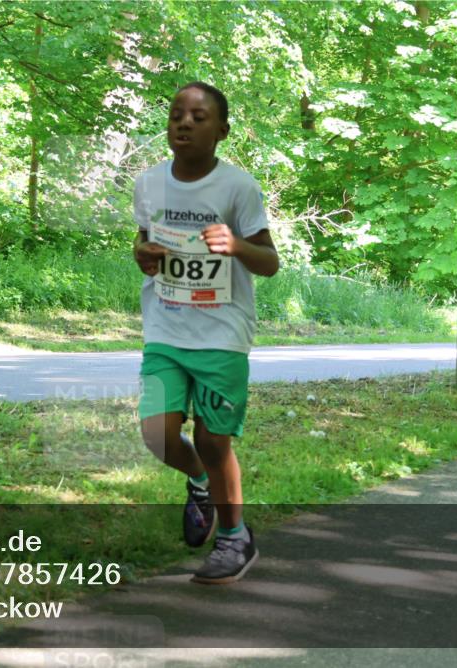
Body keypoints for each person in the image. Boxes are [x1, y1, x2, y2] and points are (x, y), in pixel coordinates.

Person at [133, 81, 279, 584]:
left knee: (215, 441)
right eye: (177, 114)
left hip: (222, 334)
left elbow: (270, 263)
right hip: (166, 329)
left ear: (222, 130)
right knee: (158, 435)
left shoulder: (238, 188)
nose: (184, 123)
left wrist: (236, 245)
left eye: (198, 117)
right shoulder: (149, 182)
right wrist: (143, 255)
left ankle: (235, 537)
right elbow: (144, 243)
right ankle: (198, 483)